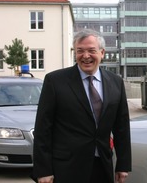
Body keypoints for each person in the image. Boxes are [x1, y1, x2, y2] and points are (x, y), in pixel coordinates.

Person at [32, 29, 131, 183]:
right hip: (66, 168)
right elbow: (43, 129)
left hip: (102, 165)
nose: (86, 56)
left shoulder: (115, 82)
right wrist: (43, 170)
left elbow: (121, 127)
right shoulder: (55, 81)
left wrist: (123, 165)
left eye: (91, 50)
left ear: (102, 52)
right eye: (80, 51)